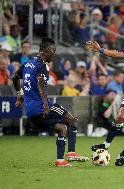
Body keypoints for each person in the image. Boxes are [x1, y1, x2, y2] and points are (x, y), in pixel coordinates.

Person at [12, 37, 88, 167]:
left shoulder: (28, 64)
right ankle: (71, 153)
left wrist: (20, 95)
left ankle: (60, 161)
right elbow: (41, 85)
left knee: (61, 128)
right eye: (53, 50)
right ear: (46, 50)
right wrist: (46, 106)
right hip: (41, 107)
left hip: (31, 112)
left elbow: (15, 78)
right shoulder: (42, 66)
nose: (54, 54)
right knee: (72, 121)